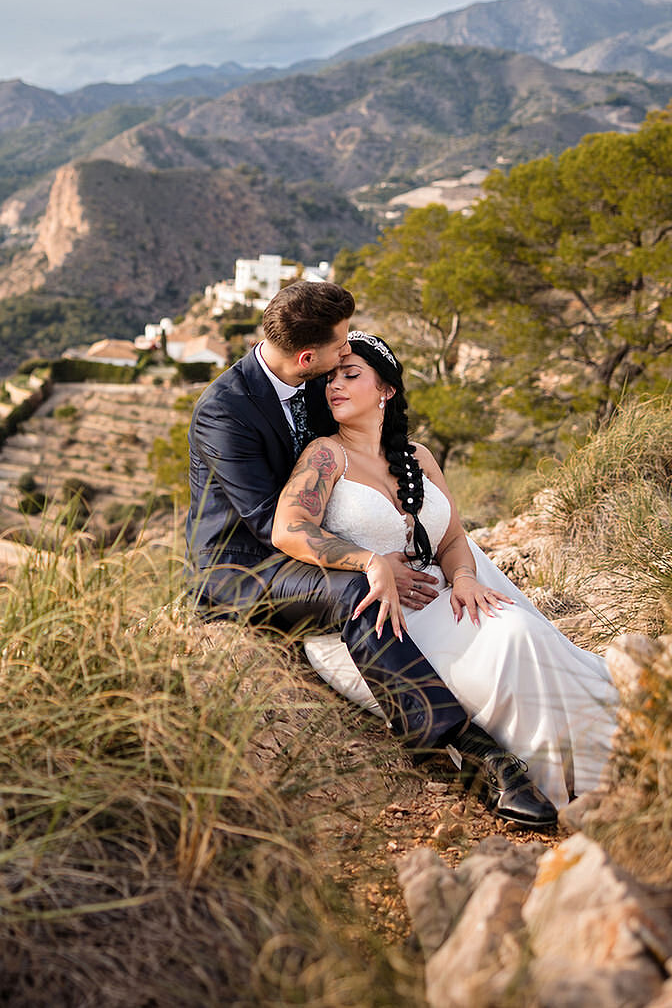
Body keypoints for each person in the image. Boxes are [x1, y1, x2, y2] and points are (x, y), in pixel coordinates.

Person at [187, 282, 558, 828]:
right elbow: (272, 525)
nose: (347, 355)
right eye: (340, 347)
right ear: (308, 356)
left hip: (302, 545)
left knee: (453, 558)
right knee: (361, 587)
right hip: (244, 569)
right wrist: (368, 558)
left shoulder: (317, 381)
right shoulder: (225, 411)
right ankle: (467, 750)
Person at [270, 329, 619, 813]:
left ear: (387, 390)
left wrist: (466, 579)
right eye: (329, 379)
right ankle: (543, 780)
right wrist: (367, 560)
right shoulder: (325, 455)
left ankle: (597, 764)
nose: (335, 387)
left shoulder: (419, 457)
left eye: (350, 375)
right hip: (375, 624)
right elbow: (288, 529)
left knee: (521, 631)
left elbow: (453, 538)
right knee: (512, 642)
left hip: (441, 594)